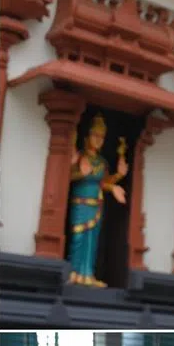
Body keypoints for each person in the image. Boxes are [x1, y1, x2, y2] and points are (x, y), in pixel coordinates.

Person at [67, 113, 128, 287]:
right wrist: (80, 173)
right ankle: (74, 271)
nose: (98, 140)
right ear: (86, 137)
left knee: (92, 240)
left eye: (101, 137)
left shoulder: (102, 162)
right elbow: (67, 176)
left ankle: (87, 273)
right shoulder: (80, 156)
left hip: (96, 206)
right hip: (80, 203)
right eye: (95, 135)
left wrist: (118, 177)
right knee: (78, 237)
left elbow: (103, 183)